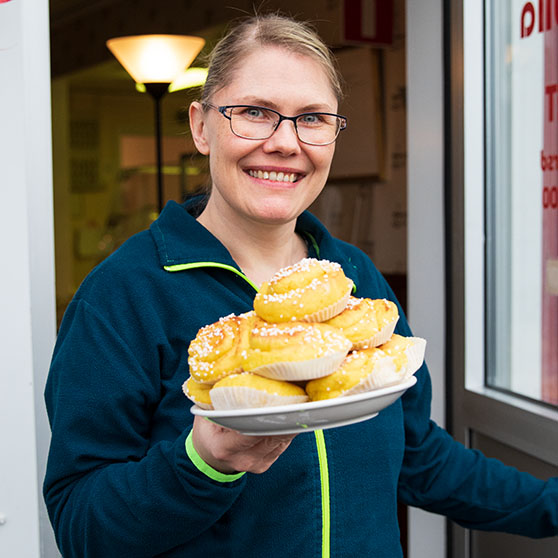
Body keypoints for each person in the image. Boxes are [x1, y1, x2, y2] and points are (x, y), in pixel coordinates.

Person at [43, 13, 557, 558]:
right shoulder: (124, 295)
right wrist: (202, 462)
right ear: (200, 126)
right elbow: (82, 525)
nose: (285, 143)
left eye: (312, 118)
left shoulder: (354, 279)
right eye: (255, 113)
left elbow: (417, 455)